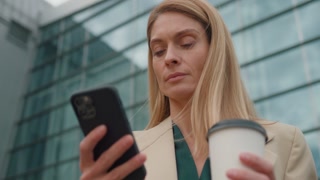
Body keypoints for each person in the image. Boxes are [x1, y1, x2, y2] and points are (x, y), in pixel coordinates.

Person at [78, 0, 318, 179]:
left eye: (186, 43)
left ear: (216, 52)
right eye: (158, 51)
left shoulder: (288, 143)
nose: (169, 57)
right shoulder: (129, 153)